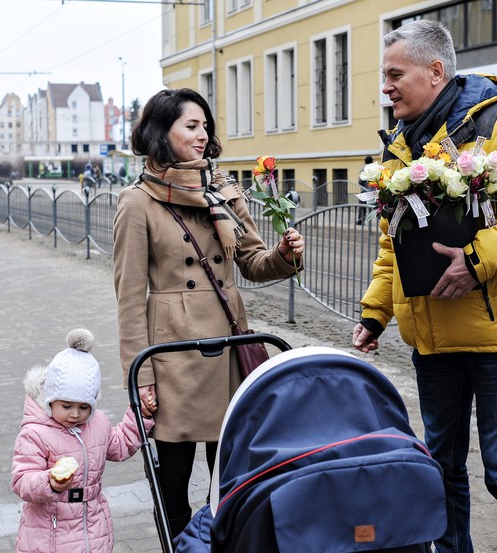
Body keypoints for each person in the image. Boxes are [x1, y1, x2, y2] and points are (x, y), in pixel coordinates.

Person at [351, 20, 497, 553]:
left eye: (395, 74)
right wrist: (375, 312)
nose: (387, 86)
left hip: (496, 333)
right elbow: (391, 244)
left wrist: (476, 260)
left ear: (436, 71)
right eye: (385, 75)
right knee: (441, 466)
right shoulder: (398, 146)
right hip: (431, 334)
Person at [112, 87, 305, 538]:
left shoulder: (221, 190)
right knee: (171, 484)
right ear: (163, 132)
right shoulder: (137, 202)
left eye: (205, 126)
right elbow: (128, 300)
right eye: (191, 126)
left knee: (232, 480)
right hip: (173, 358)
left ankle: (221, 545)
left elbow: (255, 263)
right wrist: (139, 378)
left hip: (229, 351)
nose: (203, 136)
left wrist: (285, 254)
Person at [11, 328, 155, 553]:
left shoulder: (98, 423)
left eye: (84, 407)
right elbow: (22, 480)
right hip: (50, 532)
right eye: (66, 406)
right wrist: (49, 482)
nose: (75, 414)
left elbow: (119, 446)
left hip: (93, 527)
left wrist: (140, 417)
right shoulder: (35, 434)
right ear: (51, 400)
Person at [356, 154, 374, 224]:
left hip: (364, 191)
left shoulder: (363, 169)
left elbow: (360, 181)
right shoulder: (375, 169)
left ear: (365, 162)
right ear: (372, 161)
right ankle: (369, 221)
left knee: (362, 206)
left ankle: (361, 220)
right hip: (373, 192)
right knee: (371, 207)